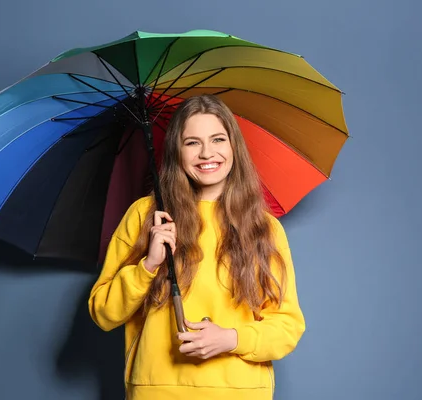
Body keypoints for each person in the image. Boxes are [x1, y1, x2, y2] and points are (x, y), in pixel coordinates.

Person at [88, 94, 306, 400]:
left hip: (240, 393)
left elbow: (287, 326)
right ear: (177, 150)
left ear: (234, 147)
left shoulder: (265, 228)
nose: (207, 153)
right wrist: (147, 266)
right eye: (192, 142)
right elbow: (103, 312)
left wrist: (231, 339)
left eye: (218, 139)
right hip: (157, 391)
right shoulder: (146, 215)